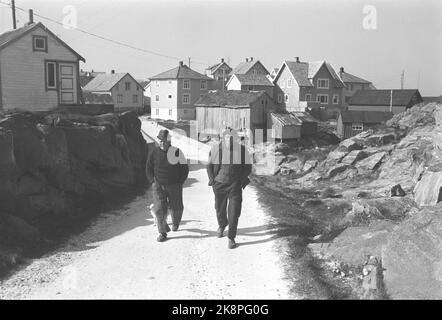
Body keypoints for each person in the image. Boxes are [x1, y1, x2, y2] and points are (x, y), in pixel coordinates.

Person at [206, 128, 252, 249]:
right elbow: (209, 166)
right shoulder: (216, 149)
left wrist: (241, 180)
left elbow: (248, 167)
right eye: (226, 137)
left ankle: (231, 237)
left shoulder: (242, 150)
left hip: (234, 185)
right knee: (219, 209)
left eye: (231, 138)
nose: (229, 140)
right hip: (219, 184)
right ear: (223, 138)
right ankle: (222, 225)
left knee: (234, 211)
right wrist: (212, 180)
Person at [146, 129, 189, 242]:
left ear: (169, 141)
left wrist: (180, 182)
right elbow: (148, 168)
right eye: (160, 141)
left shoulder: (177, 152)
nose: (163, 144)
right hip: (159, 185)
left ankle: (176, 222)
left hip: (175, 185)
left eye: (165, 141)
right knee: (159, 209)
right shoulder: (154, 153)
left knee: (177, 207)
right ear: (158, 141)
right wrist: (152, 181)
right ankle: (162, 232)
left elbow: (184, 168)